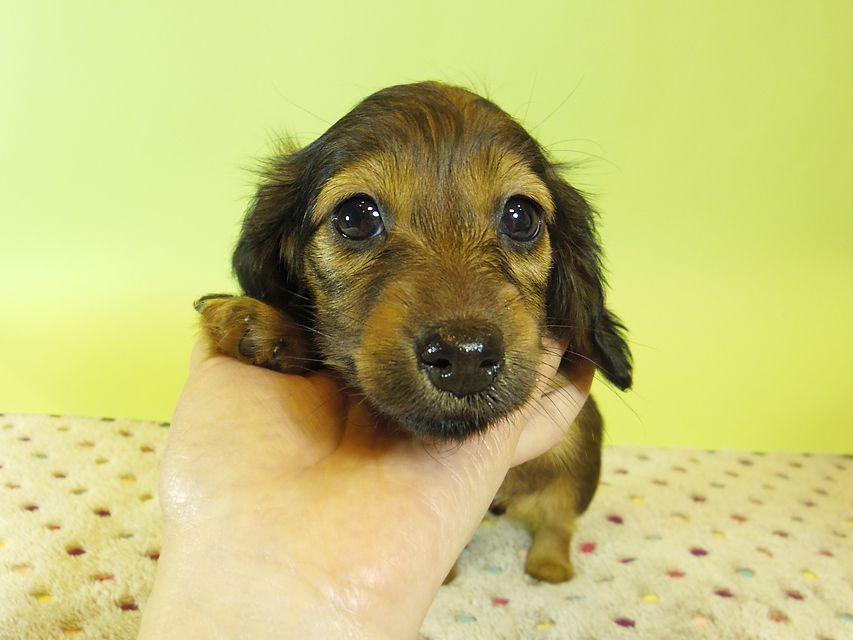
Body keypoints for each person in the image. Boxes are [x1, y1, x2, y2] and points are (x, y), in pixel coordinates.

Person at [137, 337, 594, 639]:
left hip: (552, 478)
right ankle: (452, 544)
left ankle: (555, 538)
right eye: (358, 218)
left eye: (518, 220)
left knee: (558, 502)